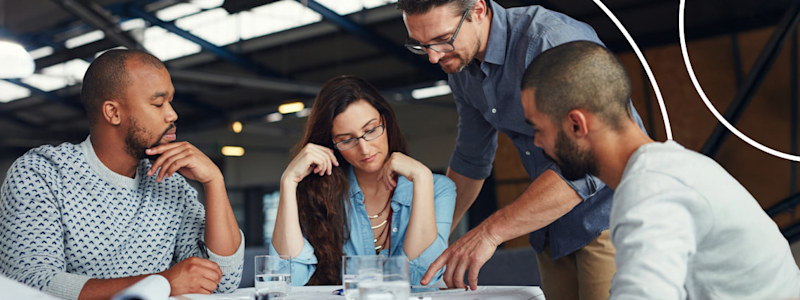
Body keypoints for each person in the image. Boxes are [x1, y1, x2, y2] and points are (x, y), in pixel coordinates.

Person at [399, 0, 646, 297]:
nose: (432, 57)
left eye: (442, 39)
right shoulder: (460, 65)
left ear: (478, 9)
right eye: (421, 45)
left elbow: (590, 158)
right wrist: (431, 238)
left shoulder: (550, 40)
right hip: (549, 226)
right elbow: (470, 157)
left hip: (610, 215)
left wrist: (490, 232)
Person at [521, 40, 800, 299]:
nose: (536, 142)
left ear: (576, 125)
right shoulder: (668, 170)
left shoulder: (651, 192)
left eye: (538, 129)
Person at [0, 50, 244, 300]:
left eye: (170, 102)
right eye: (158, 103)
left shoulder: (170, 184)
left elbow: (221, 282)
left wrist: (214, 181)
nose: (172, 114)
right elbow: (30, 285)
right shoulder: (41, 174)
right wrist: (161, 283)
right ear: (113, 112)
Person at [270, 75, 455, 286]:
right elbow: (287, 279)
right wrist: (288, 181)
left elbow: (422, 278)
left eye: (371, 130)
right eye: (347, 140)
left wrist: (422, 178)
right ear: (331, 145)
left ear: (386, 121)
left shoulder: (439, 189)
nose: (365, 149)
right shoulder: (319, 192)